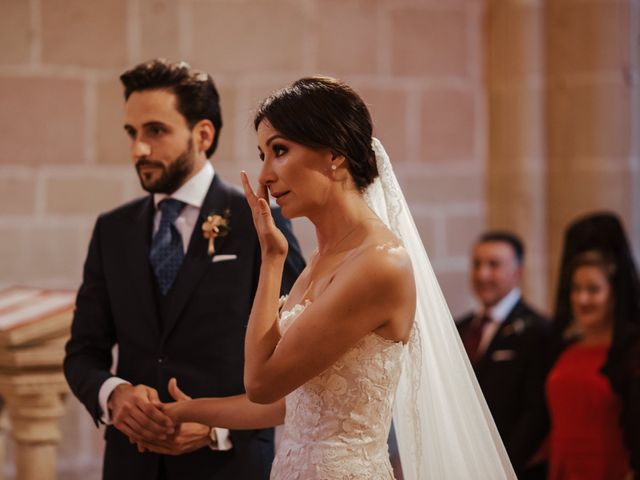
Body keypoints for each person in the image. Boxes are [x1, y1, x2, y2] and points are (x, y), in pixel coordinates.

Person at [157, 76, 517, 479]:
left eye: (279, 151)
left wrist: (272, 260)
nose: (265, 177)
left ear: (335, 155)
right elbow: (288, 401)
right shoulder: (320, 260)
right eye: (263, 155)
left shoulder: (380, 263)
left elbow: (261, 383)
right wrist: (185, 410)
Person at [63, 59, 305, 480]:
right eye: (132, 133)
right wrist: (114, 394)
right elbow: (83, 352)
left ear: (203, 134)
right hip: (130, 466)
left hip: (229, 467)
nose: (138, 149)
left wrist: (218, 429)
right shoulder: (112, 230)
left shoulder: (258, 223)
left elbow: (295, 363)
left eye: (155, 131)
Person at [546, 212, 640, 479]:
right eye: (576, 289)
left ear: (613, 293)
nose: (582, 299)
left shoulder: (631, 354)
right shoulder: (566, 349)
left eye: (593, 289)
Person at [456, 231, 549, 478]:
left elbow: (536, 413)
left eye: (494, 265)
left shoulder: (538, 331)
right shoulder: (459, 328)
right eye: (477, 264)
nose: (482, 274)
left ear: (517, 272)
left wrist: (499, 467)